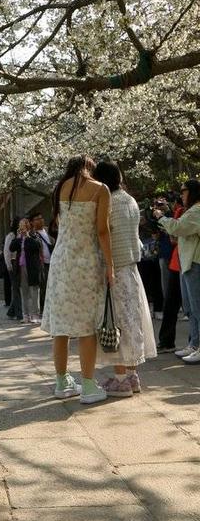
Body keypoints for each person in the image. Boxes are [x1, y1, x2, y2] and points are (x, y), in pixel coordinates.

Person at [41, 155, 113, 404]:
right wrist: (110, 265)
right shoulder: (100, 189)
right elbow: (102, 230)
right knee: (86, 327)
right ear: (90, 168)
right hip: (86, 261)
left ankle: (62, 382)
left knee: (60, 327)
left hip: (61, 260)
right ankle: (89, 386)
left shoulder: (61, 187)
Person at [92, 161, 156, 395]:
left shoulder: (109, 201)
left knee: (116, 321)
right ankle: (132, 375)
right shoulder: (130, 199)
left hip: (115, 268)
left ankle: (120, 379)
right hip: (131, 267)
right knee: (132, 322)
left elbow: (103, 232)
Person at [153, 178, 200, 364]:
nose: (181, 194)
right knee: (190, 308)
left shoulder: (197, 210)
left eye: (184, 190)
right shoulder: (192, 210)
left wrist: (161, 217)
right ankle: (194, 344)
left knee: (197, 307)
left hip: (194, 263)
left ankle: (197, 345)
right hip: (187, 262)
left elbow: (178, 227)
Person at [9, 218, 43, 324]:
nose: (21, 227)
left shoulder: (34, 235)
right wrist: (19, 237)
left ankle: (35, 315)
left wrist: (27, 236)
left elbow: (37, 246)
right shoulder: (19, 238)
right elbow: (11, 248)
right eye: (20, 225)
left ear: (28, 226)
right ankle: (26, 315)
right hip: (21, 267)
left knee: (33, 291)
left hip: (32, 267)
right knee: (24, 292)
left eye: (23, 225)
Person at [30, 212, 53, 312]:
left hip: (52, 262)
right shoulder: (32, 234)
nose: (41, 220)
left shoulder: (48, 231)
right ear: (32, 222)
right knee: (44, 286)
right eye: (37, 219)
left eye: (41, 218)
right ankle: (43, 309)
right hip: (42, 264)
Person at [4, 217, 23, 320]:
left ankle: (11, 311)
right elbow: (7, 252)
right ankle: (19, 313)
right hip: (13, 264)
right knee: (16, 289)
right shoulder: (10, 236)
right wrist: (9, 266)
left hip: (21, 264)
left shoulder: (23, 234)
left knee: (17, 289)